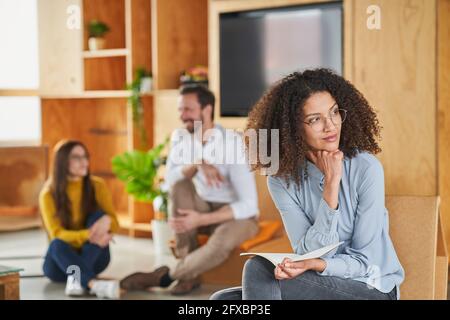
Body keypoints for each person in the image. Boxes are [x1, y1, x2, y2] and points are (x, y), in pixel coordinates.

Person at [210, 68, 404, 300]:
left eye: (334, 113)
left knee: (258, 269)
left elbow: (365, 262)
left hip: (371, 287)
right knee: (223, 300)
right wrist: (330, 190)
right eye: (315, 120)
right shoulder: (282, 180)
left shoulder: (366, 168)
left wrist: (316, 264)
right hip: (320, 284)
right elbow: (306, 252)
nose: (330, 126)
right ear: (293, 129)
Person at [120, 85, 260, 295]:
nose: (182, 115)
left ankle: (167, 276)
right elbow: (168, 183)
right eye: (180, 110)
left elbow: (249, 205)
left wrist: (200, 220)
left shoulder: (232, 144)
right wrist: (197, 163)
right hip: (202, 205)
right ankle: (190, 277)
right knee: (180, 186)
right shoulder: (181, 138)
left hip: (237, 216)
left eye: (188, 109)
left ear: (207, 109)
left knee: (220, 243)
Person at [39, 140, 120, 299]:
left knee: (99, 217)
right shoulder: (48, 194)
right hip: (59, 265)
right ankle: (93, 284)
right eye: (76, 157)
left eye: (85, 156)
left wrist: (107, 222)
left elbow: (115, 224)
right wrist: (88, 235)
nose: (84, 162)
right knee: (56, 243)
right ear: (62, 162)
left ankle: (77, 279)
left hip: (96, 258)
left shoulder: (98, 185)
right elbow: (56, 232)